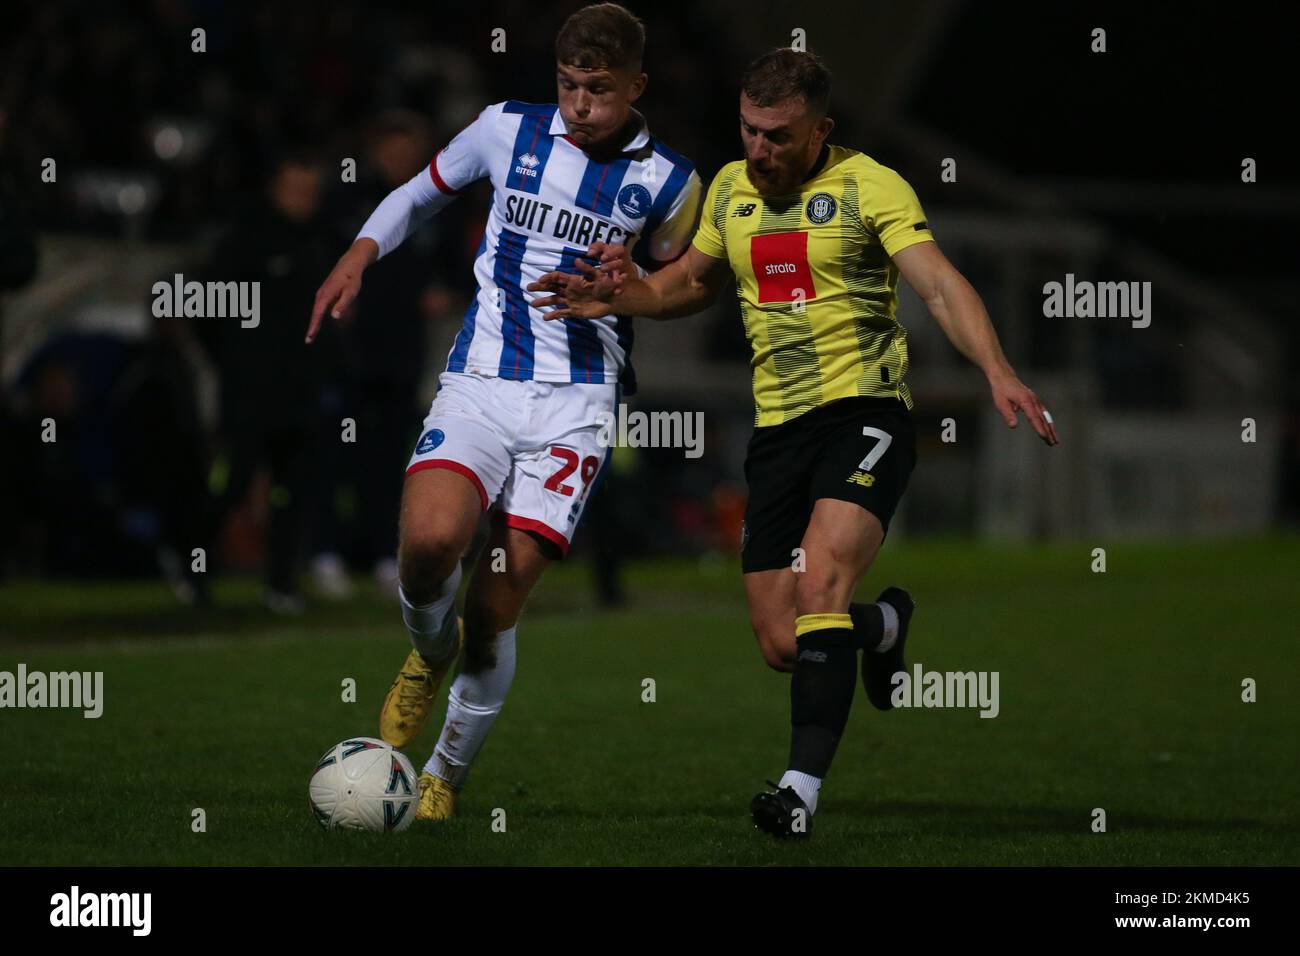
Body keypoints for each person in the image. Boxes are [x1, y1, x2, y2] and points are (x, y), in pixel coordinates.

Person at [530, 47, 1059, 838]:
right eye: (749, 130)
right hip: (776, 432)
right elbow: (688, 287)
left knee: (819, 593)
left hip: (865, 416)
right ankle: (882, 627)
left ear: (821, 130)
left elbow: (941, 284)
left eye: (778, 135)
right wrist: (618, 298)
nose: (760, 150)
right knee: (785, 641)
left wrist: (998, 370)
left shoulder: (869, 185)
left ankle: (798, 793)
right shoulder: (731, 191)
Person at [307, 3, 701, 821]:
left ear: (637, 86)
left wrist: (628, 290)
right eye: (567, 84)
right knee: (427, 548)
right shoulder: (504, 130)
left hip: (577, 403)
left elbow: (681, 288)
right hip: (484, 377)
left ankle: (445, 775)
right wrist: (358, 252)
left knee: (493, 607)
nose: (579, 103)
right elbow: (418, 193)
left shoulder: (672, 183)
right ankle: (425, 650)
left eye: (598, 88)